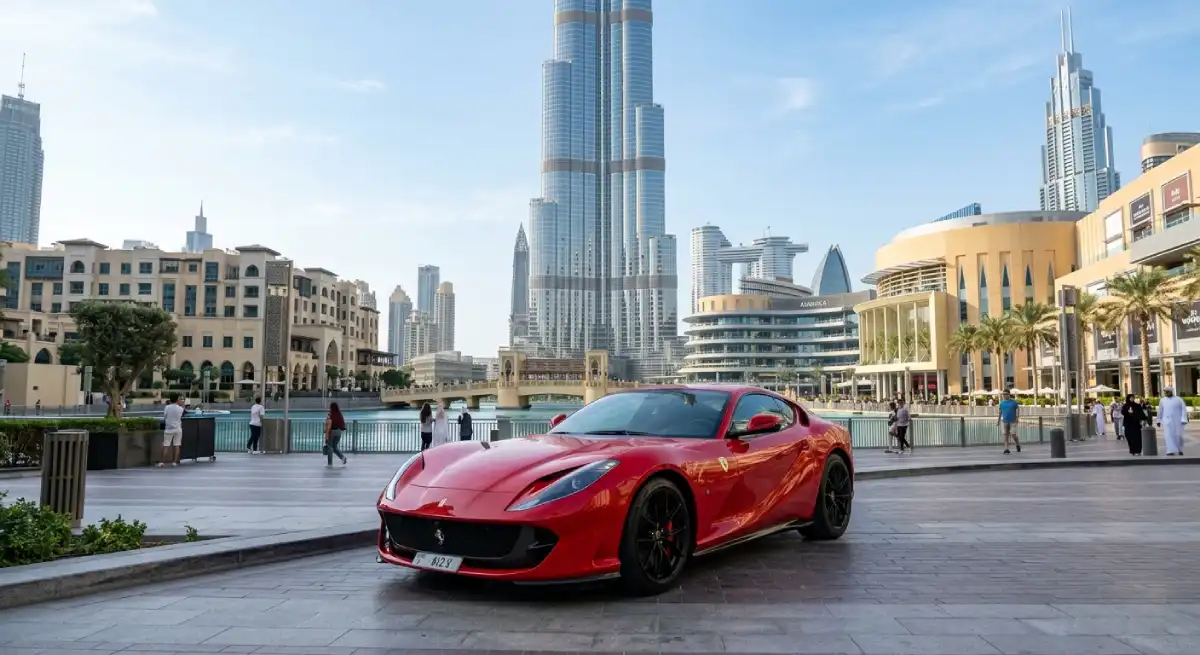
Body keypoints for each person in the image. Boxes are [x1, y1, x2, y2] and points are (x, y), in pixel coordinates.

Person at [1157, 387, 1187, 456]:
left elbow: (1183, 409)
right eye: (1165, 392)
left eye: (1167, 392)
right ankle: (1170, 450)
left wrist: (1184, 419)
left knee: (1178, 435)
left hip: (1178, 421)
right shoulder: (1162, 400)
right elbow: (1160, 411)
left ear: (1171, 392)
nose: (1166, 393)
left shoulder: (1179, 399)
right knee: (1168, 435)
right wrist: (1158, 420)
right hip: (1167, 421)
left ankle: (1180, 449)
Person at [158, 393, 186, 468]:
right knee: (177, 445)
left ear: (170, 400)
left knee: (166, 446)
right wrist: (182, 404)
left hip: (169, 429)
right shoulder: (180, 408)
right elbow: (184, 412)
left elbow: (165, 416)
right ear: (177, 400)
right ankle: (174, 462)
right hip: (178, 429)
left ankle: (162, 462)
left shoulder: (167, 407)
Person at [324, 402, 348, 467]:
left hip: (331, 432)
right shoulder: (339, 414)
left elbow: (328, 425)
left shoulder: (330, 414)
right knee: (334, 447)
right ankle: (343, 458)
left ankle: (330, 463)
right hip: (338, 432)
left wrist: (326, 435)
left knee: (330, 448)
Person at [998, 390, 1022, 454]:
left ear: (1009, 394)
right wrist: (998, 421)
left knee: (1013, 434)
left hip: (1013, 421)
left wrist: (1017, 418)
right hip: (1004, 421)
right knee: (1005, 435)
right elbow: (1000, 412)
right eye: (1003, 394)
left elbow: (1017, 409)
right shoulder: (1001, 403)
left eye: (1005, 394)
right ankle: (1006, 449)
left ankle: (1017, 444)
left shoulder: (1014, 402)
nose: (1004, 395)